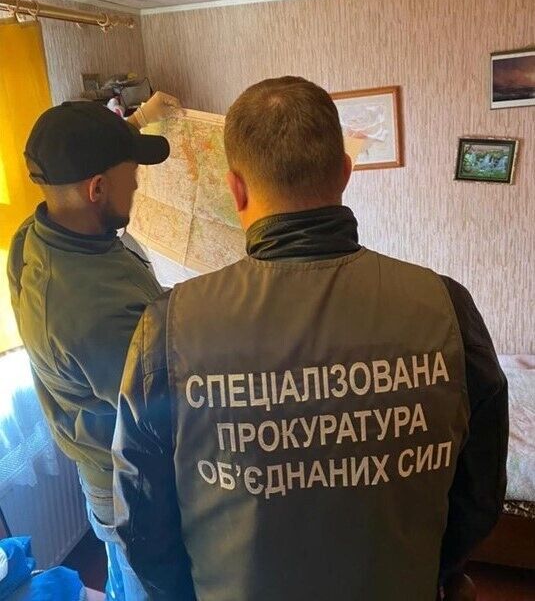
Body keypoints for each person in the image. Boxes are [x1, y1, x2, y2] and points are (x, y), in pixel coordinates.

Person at [112, 77, 508, 601]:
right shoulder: (446, 306)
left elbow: (142, 520)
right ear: (345, 172)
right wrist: (428, 568)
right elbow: (480, 492)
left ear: (236, 189)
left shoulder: (168, 327)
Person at [8, 93, 183, 601]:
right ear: (97, 188)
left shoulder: (42, 230)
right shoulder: (87, 310)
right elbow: (166, 413)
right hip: (130, 485)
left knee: (121, 576)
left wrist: (138, 119)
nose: (137, 186)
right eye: (133, 176)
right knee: (151, 586)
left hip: (103, 469)